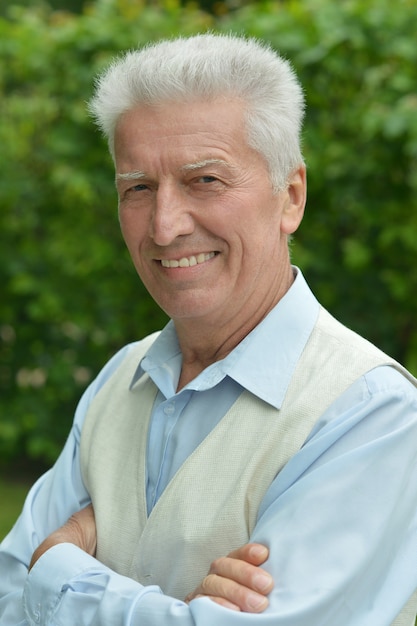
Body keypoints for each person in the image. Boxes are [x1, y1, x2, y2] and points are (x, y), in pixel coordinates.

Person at [1, 33, 417, 626]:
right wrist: (178, 611)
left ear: (290, 197)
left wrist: (61, 572)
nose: (165, 227)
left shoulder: (371, 415)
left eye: (206, 181)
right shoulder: (122, 379)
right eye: (138, 188)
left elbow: (30, 583)